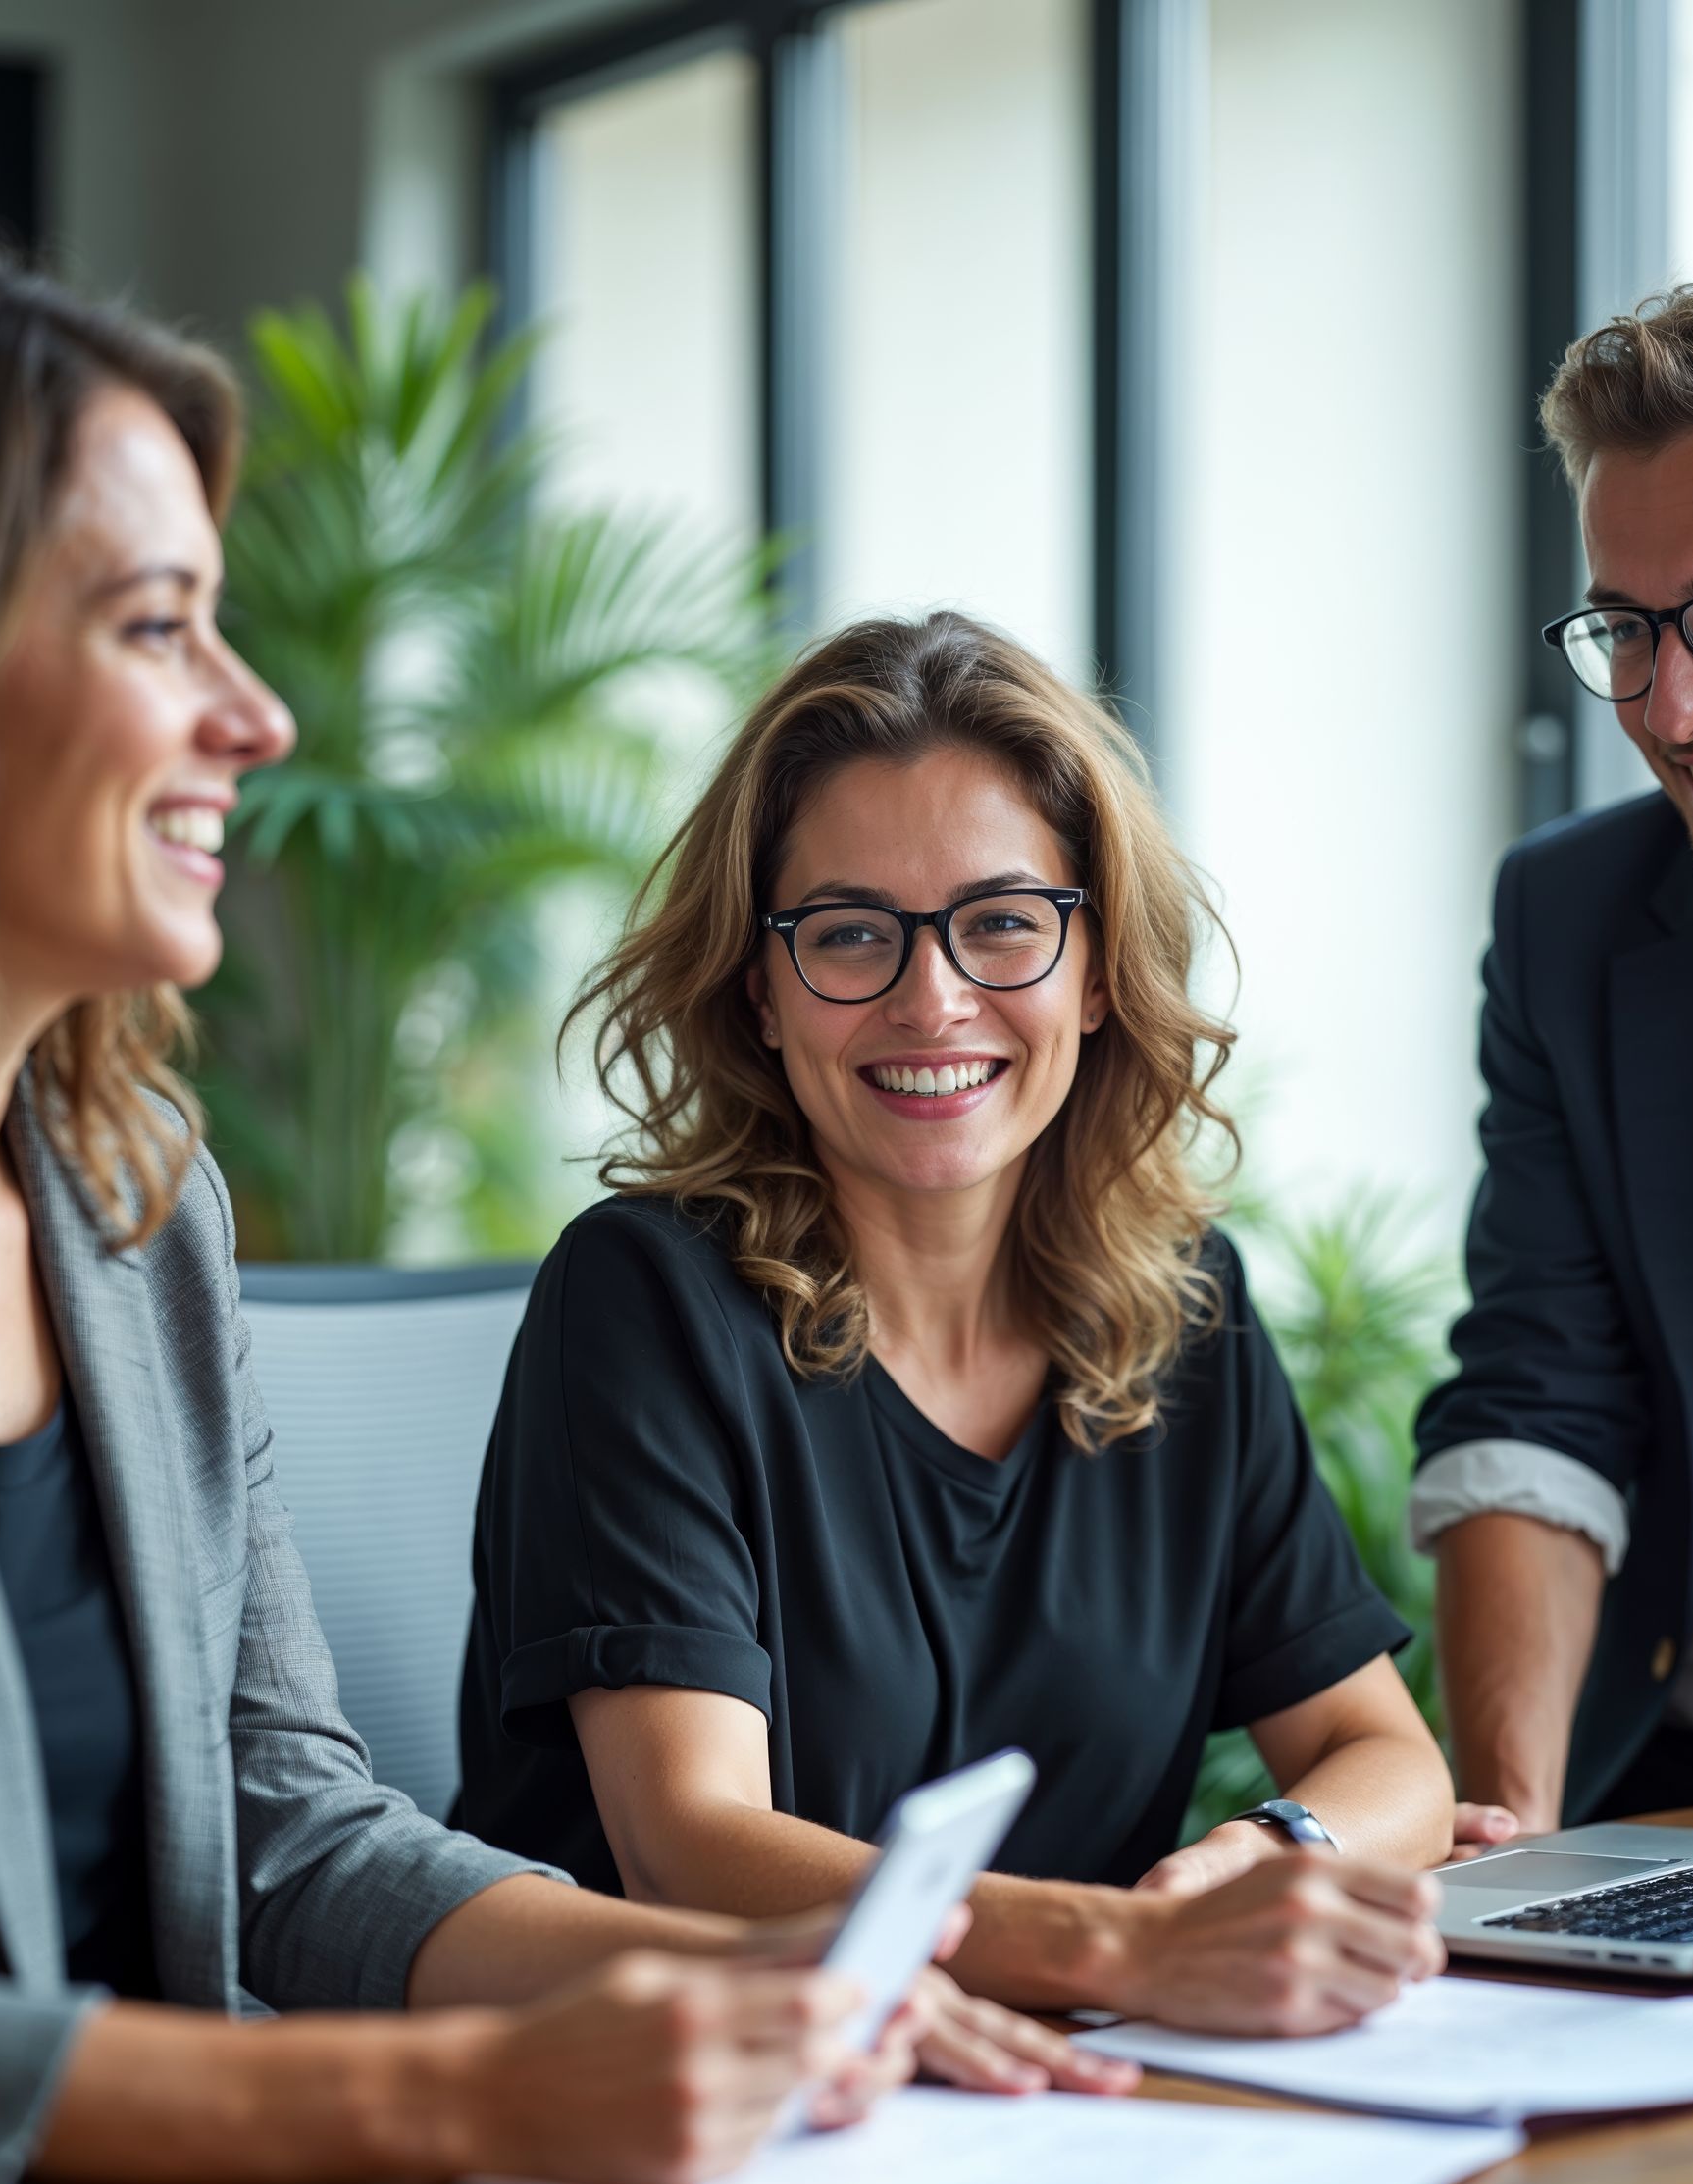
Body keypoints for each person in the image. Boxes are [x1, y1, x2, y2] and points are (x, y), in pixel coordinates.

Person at [0, 228, 918, 2184]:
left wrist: (777, 1979)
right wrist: (436, 2100)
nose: (257, 716)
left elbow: (288, 1827)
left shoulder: (129, 1199)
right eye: (158, 625)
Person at [455, 608, 1452, 2076]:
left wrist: (1248, 1862)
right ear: (764, 989)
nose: (932, 999)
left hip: (1059, 2097)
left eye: (1001, 922)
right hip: (688, 2119)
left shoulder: (1180, 1305)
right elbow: (689, 1842)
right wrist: (1119, 1943)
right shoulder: (642, 1300)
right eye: (852, 932)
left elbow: (1390, 1762)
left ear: (1097, 967)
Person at [1416, 266, 1693, 1837]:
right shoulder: (1572, 918)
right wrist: (1512, 1832)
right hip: (1686, 1784)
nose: (1673, 705)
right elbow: (1541, 1394)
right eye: (1626, 628)